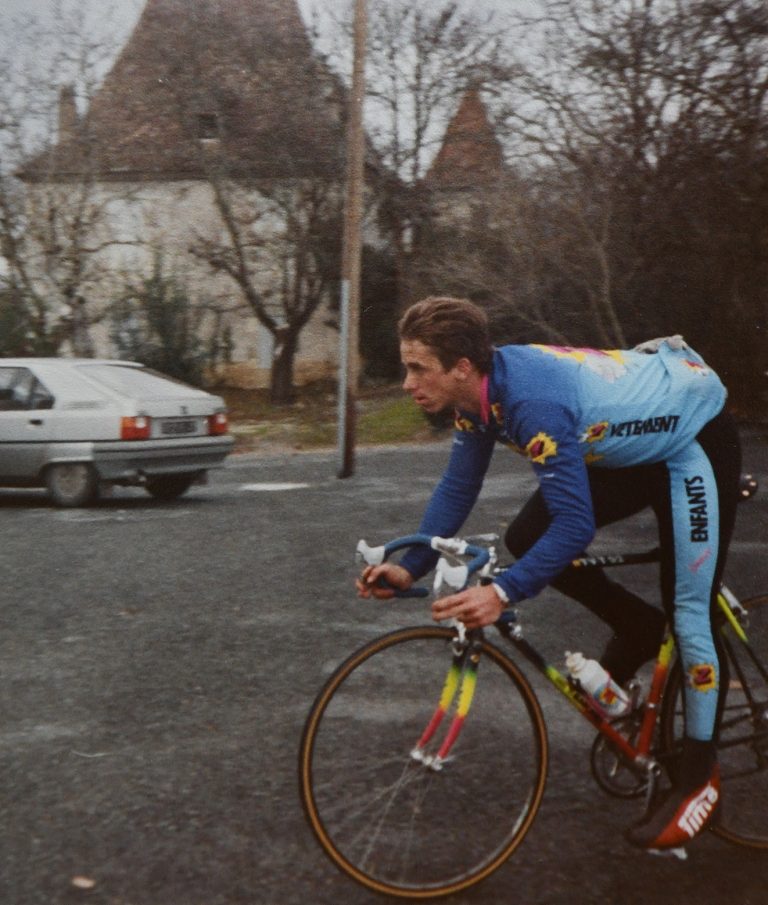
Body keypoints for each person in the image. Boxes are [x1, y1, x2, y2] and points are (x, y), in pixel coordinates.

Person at [357, 296, 741, 851]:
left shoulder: (531, 402)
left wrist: (504, 590)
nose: (406, 381)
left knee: (689, 612)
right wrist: (408, 563)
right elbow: (458, 487)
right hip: (627, 449)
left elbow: (575, 525)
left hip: (692, 443)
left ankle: (698, 778)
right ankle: (636, 627)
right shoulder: (478, 399)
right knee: (526, 539)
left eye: (417, 367)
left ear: (461, 367)